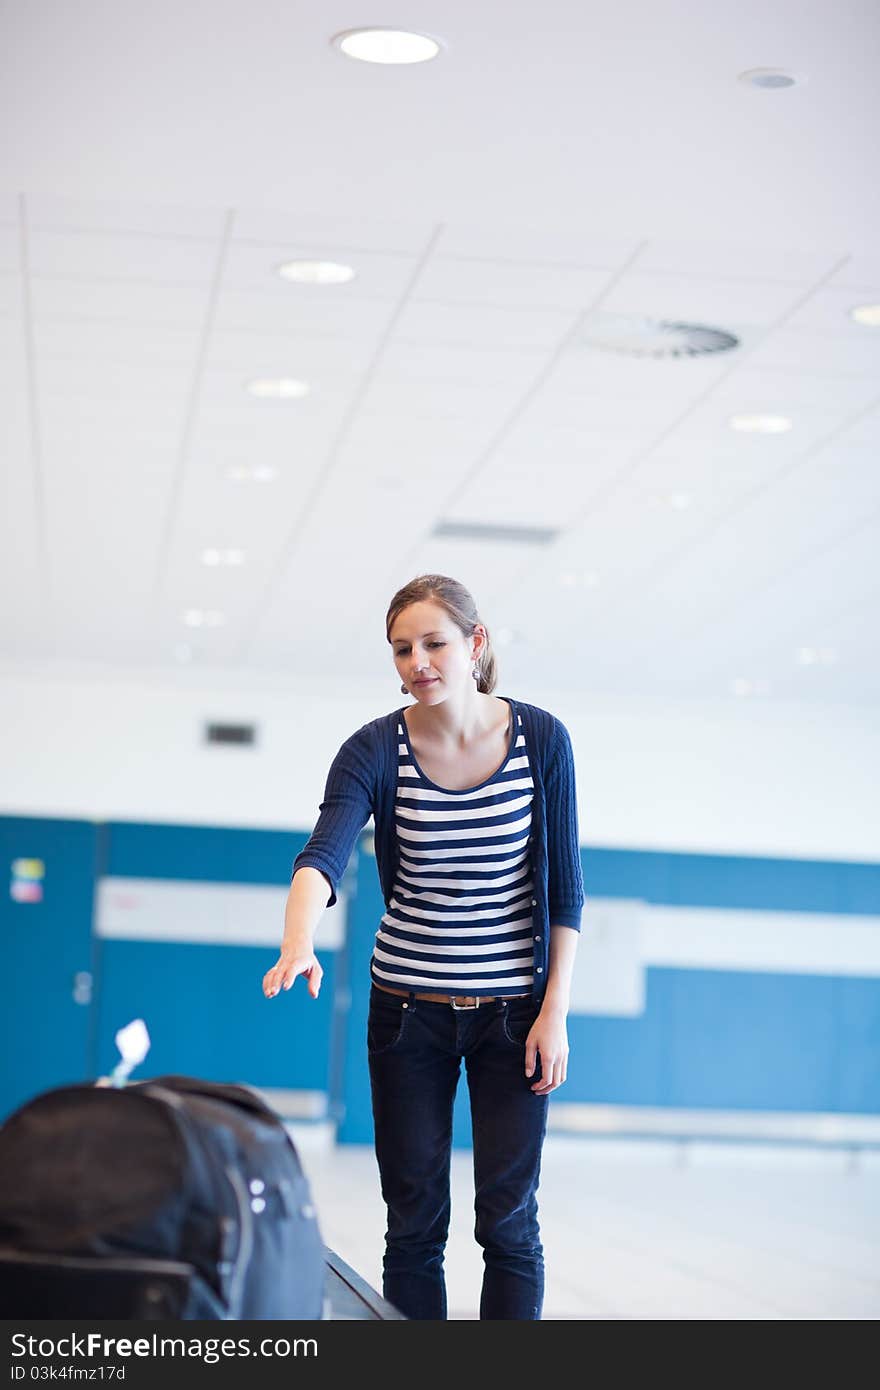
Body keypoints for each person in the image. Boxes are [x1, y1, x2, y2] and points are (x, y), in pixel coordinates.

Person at [262, 574, 584, 1320]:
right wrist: (298, 939)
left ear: (475, 643)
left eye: (434, 643)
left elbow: (565, 889)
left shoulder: (542, 741)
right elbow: (324, 854)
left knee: (508, 1222)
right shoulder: (375, 748)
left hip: (515, 1014)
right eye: (401, 649)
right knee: (413, 1226)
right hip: (407, 1016)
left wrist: (555, 1010)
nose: (417, 662)